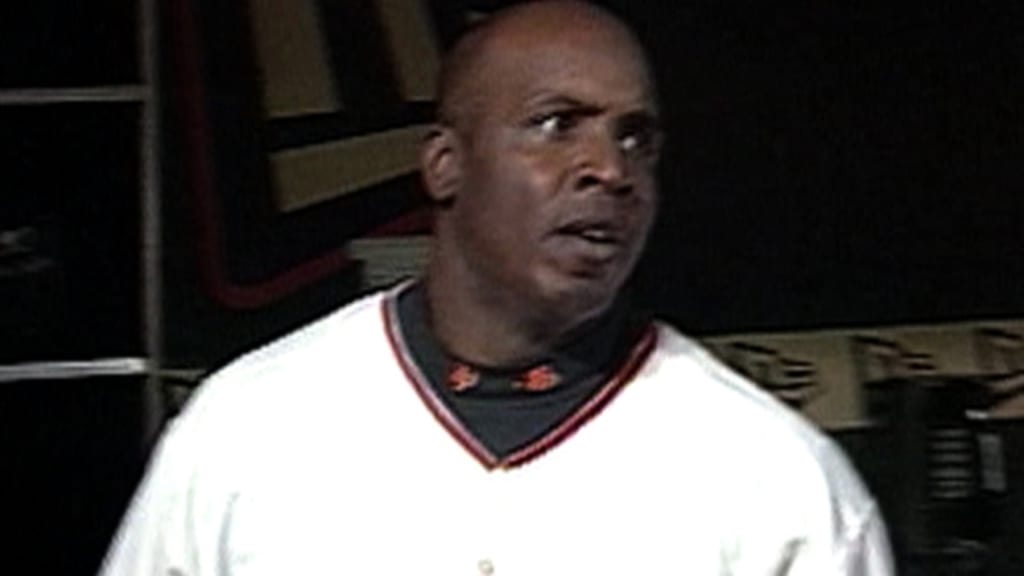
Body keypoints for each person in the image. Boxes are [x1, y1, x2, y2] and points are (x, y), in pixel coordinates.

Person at [100, 1, 894, 574]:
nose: (609, 169)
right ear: (445, 165)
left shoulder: (777, 481)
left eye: (635, 139)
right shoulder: (245, 430)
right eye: (557, 124)